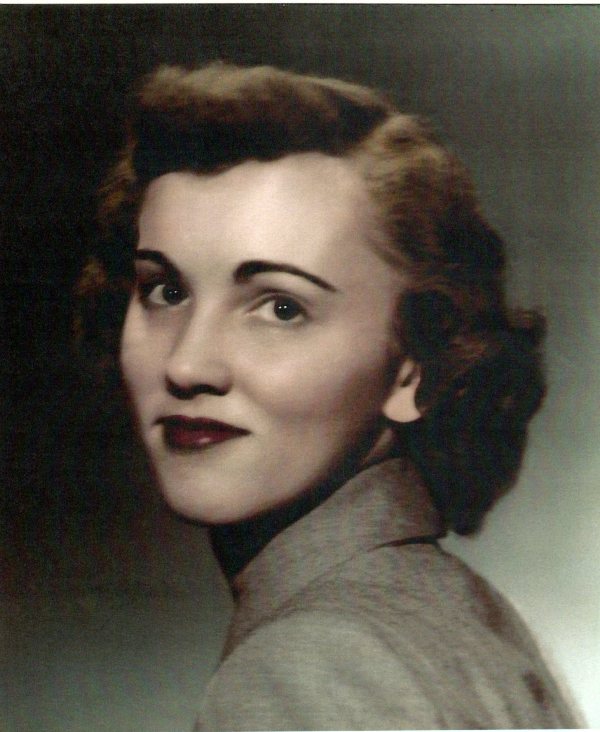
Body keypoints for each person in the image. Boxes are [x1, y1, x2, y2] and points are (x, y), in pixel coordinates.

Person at [80, 62, 578, 729]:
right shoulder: (466, 618)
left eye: (281, 307)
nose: (188, 364)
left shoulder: (306, 667)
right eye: (165, 292)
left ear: (415, 368)